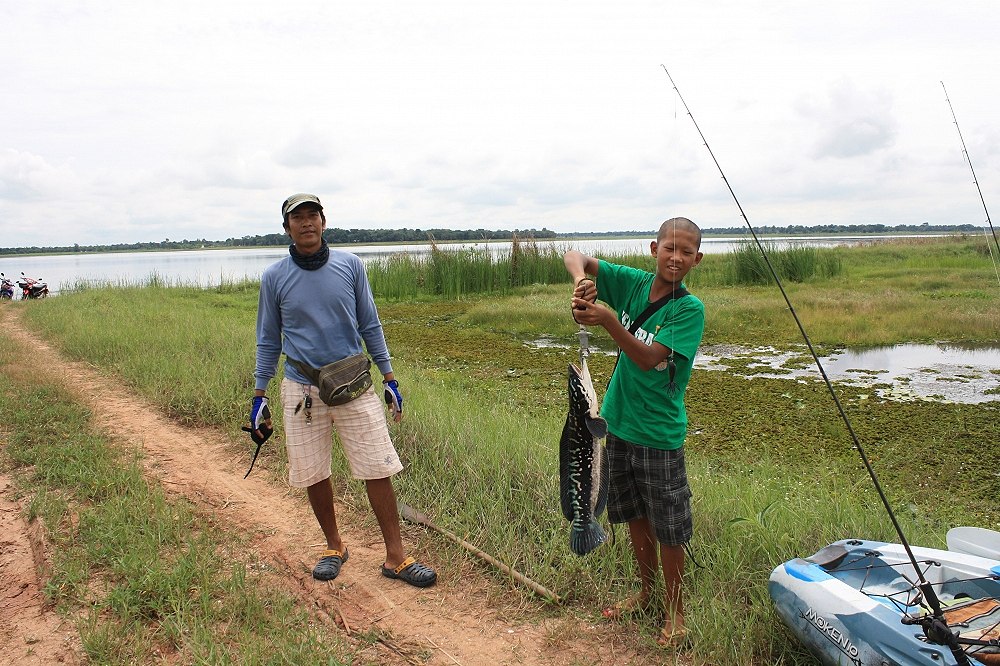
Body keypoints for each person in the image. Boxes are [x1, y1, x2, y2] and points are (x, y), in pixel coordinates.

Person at [248, 193, 436, 588]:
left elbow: (371, 325)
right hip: (302, 388)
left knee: (378, 466)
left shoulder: (350, 267)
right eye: (297, 218)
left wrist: (389, 378)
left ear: (323, 221)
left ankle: (396, 557)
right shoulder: (274, 277)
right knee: (313, 471)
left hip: (353, 383)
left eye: (312, 215)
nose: (306, 223)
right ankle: (334, 546)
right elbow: (268, 339)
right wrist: (259, 394)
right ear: (286, 228)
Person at [563, 217, 705, 648]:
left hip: (658, 435)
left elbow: (647, 358)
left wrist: (607, 320)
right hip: (617, 426)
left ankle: (676, 613)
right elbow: (575, 254)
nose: (675, 257)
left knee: (669, 529)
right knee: (634, 518)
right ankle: (645, 594)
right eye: (669, 248)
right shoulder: (631, 283)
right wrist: (582, 280)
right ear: (653, 248)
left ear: (697, 259)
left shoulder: (689, 309)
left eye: (685, 252)